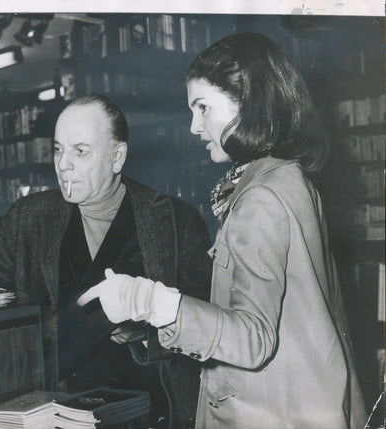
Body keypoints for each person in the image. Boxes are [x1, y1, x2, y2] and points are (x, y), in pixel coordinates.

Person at [0, 94, 212, 429]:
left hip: (150, 409)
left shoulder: (173, 222)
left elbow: (210, 321)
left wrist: (149, 329)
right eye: (58, 149)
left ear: (117, 157)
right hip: (53, 409)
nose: (63, 164)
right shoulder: (33, 218)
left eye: (80, 151)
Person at [78, 33, 367, 429]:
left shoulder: (261, 198)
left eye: (203, 107)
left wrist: (147, 300)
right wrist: (153, 325)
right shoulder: (289, 179)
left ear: (249, 103)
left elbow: (253, 338)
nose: (194, 126)